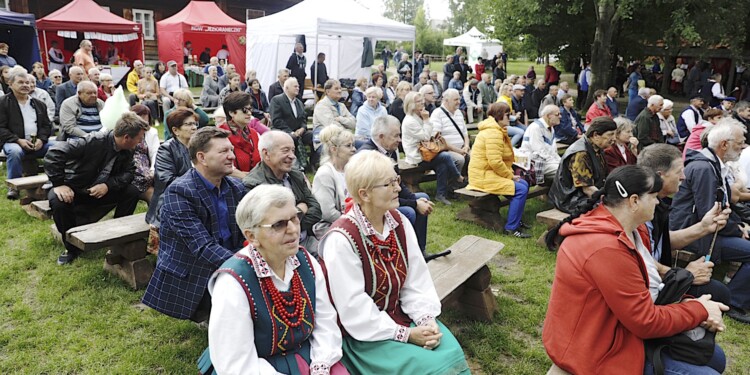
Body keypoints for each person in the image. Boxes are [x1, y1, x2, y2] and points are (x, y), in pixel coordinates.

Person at [543, 165, 729, 374]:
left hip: (617, 329)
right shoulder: (605, 248)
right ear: (633, 201)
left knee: (716, 358)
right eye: (654, 196)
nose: (658, 202)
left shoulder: (630, 229)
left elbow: (644, 287)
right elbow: (644, 321)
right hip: (600, 347)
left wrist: (688, 303)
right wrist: (699, 309)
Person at [318, 150, 470, 374]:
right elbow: (354, 309)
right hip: (364, 334)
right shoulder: (341, 239)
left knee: (452, 354)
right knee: (433, 367)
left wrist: (425, 319)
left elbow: (415, 279)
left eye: (396, 180)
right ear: (365, 194)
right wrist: (405, 334)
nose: (398, 188)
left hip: (402, 315)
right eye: (388, 183)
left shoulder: (398, 222)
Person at [197, 183, 344, 374]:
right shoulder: (233, 283)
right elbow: (236, 362)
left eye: (295, 218)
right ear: (252, 236)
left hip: (311, 356)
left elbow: (325, 321)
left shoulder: (306, 262)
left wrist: (322, 361)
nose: (293, 229)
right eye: (279, 224)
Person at [142, 127, 246, 321]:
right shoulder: (179, 192)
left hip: (230, 257)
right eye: (224, 151)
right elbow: (202, 247)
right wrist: (247, 264)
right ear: (202, 157)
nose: (232, 156)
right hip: (196, 269)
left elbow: (250, 230)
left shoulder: (236, 187)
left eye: (231, 150)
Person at [638, 144, 736, 315]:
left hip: (661, 279)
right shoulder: (638, 210)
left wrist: (704, 227)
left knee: (719, 292)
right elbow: (639, 260)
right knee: (718, 293)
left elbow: (663, 242)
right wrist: (685, 274)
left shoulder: (657, 204)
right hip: (647, 289)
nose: (683, 177)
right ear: (660, 176)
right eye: (679, 172)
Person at [670, 119, 750, 323]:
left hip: (708, 232)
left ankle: (734, 297)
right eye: (740, 142)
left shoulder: (714, 165)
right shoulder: (705, 168)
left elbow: (722, 205)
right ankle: (734, 302)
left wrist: (738, 225)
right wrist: (736, 230)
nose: (743, 146)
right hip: (696, 235)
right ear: (724, 144)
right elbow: (710, 214)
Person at [45, 113, 146, 265]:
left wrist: (108, 185)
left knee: (131, 191)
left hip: (100, 190)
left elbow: (129, 173)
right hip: (75, 188)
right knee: (57, 201)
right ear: (126, 137)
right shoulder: (93, 141)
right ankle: (72, 248)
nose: (140, 142)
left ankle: (119, 235)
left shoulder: (128, 150)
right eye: (139, 138)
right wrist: (59, 184)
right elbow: (55, 153)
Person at [358, 116, 433, 255]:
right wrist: (414, 204)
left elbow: (398, 184)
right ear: (381, 136)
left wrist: (415, 200)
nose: (399, 140)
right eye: (396, 136)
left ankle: (419, 251)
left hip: (388, 198)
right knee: (409, 212)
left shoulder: (388, 151)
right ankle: (402, 253)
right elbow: (380, 197)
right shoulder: (368, 157)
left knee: (423, 197)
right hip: (373, 206)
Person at [243, 131, 322, 254]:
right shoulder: (255, 185)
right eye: (285, 151)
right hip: (278, 250)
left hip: (306, 241)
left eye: (293, 150)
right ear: (266, 154)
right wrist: (300, 211)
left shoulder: (295, 175)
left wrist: (287, 223)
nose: (292, 156)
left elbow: (317, 211)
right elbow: (272, 227)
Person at [467, 102, 532, 238]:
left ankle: (516, 221)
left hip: (486, 172)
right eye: (508, 115)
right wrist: (510, 176)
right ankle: (511, 228)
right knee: (520, 189)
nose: (510, 117)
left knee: (524, 184)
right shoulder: (493, 133)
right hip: (482, 176)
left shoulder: (496, 130)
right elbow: (495, 162)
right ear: (499, 116)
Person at [401, 92, 464, 205]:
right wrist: (426, 119)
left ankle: (441, 195)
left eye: (422, 100)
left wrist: (427, 122)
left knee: (442, 164)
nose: (422, 103)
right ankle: (457, 177)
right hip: (416, 156)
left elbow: (430, 134)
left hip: (426, 152)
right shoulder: (410, 121)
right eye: (418, 101)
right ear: (411, 104)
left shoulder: (419, 116)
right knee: (445, 156)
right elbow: (425, 137)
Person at [0, 68, 54, 199]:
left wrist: (41, 139)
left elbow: (47, 126)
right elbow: (1, 128)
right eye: (21, 82)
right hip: (13, 142)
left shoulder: (39, 104)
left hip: (38, 143)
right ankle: (14, 187)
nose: (26, 85)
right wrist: (18, 140)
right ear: (10, 84)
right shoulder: (2, 103)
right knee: (15, 152)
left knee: (58, 147)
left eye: (28, 83)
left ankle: (54, 181)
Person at [145, 108, 197, 235]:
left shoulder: (199, 147)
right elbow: (167, 180)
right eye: (189, 124)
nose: (194, 127)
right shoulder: (166, 150)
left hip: (196, 197)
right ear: (175, 130)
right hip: (172, 200)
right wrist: (199, 185)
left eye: (195, 123)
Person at [549, 117, 617, 213]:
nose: (614, 138)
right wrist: (610, 202)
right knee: (614, 210)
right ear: (596, 135)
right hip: (571, 199)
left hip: (586, 194)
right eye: (610, 134)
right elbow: (587, 189)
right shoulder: (581, 154)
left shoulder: (597, 147)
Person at [312, 125, 356, 238]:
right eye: (348, 146)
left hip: (352, 220)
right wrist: (356, 223)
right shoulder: (325, 174)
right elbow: (328, 213)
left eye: (353, 145)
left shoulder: (350, 169)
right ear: (334, 149)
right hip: (332, 228)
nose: (354, 149)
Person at [269, 77, 311, 170]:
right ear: (287, 88)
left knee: (313, 136)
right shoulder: (277, 100)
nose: (298, 88)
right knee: (292, 138)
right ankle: (295, 165)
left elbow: (303, 119)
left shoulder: (299, 102)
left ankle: (312, 163)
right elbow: (276, 120)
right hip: (282, 131)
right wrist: (291, 132)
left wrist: (303, 128)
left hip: (299, 132)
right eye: (295, 86)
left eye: (298, 86)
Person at [218, 92, 261, 176]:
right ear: (231, 113)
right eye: (245, 110)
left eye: (250, 109)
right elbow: (221, 166)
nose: (249, 113)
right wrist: (247, 178)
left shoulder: (254, 134)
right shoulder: (221, 135)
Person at [430, 89, 470, 175]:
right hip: (447, 151)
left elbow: (465, 133)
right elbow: (438, 139)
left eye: (459, 99)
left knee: (476, 156)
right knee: (460, 159)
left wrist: (466, 146)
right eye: (456, 100)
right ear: (446, 101)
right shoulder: (437, 113)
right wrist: (458, 150)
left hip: (462, 148)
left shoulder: (459, 112)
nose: (459, 102)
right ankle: (454, 183)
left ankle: (468, 181)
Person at [520, 104, 562, 182]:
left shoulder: (551, 128)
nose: (560, 116)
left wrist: (561, 161)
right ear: (549, 116)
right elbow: (540, 152)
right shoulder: (536, 128)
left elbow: (553, 151)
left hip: (548, 162)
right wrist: (559, 163)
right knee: (564, 172)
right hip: (536, 164)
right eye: (557, 114)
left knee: (569, 169)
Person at [313, 79, 355, 152]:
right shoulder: (322, 105)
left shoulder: (342, 106)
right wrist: (347, 130)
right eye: (336, 89)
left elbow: (353, 124)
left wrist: (341, 119)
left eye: (340, 88)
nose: (339, 91)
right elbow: (332, 126)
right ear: (328, 91)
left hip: (343, 141)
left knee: (364, 146)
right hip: (326, 143)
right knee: (348, 151)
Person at [129, 105, 159, 203]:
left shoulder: (152, 132)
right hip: (130, 171)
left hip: (146, 171)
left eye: (145, 121)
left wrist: (153, 170)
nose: (143, 125)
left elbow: (155, 152)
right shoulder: (124, 132)